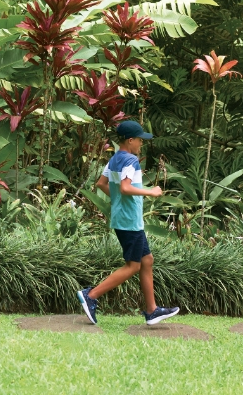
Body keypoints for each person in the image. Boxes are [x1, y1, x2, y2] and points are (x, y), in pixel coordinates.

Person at [77, 120, 180, 326]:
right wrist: (150, 191)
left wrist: (117, 202)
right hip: (129, 221)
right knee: (133, 266)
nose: (141, 144)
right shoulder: (131, 161)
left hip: (123, 218)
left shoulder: (115, 159)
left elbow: (101, 184)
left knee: (147, 259)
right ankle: (91, 296)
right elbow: (125, 188)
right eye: (139, 140)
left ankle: (151, 310)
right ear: (130, 140)